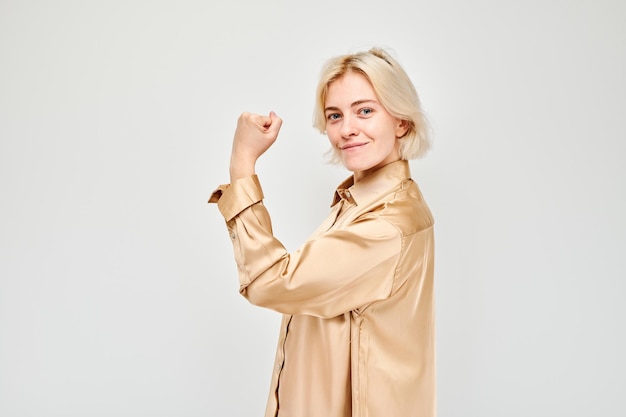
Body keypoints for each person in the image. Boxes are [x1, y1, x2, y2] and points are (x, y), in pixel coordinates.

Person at [209, 47, 435, 417]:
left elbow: (270, 281)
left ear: (401, 122)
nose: (347, 129)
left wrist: (242, 164)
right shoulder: (360, 203)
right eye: (335, 115)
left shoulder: (386, 225)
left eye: (365, 110)